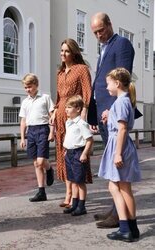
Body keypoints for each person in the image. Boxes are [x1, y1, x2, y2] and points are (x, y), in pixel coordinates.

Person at [88, 12, 138, 228]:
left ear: (110, 24)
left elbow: (121, 77)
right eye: (95, 32)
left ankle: (120, 217)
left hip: (113, 113)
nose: (99, 35)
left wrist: (110, 109)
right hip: (103, 111)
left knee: (117, 167)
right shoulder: (104, 47)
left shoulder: (122, 44)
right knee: (112, 169)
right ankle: (115, 210)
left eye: (101, 30)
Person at [98, 68, 141, 242]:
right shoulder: (122, 101)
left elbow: (122, 128)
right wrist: (110, 115)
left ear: (117, 83)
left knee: (115, 187)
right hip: (120, 145)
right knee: (124, 188)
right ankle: (132, 228)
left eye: (108, 83)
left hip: (119, 146)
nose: (106, 87)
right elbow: (120, 124)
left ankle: (125, 228)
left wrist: (117, 154)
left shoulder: (121, 102)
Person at [49, 38, 92, 208]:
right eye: (61, 51)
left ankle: (77, 197)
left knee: (76, 153)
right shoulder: (59, 73)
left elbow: (87, 94)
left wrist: (83, 115)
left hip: (75, 116)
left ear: (74, 52)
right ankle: (68, 194)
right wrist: (53, 112)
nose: (63, 54)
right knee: (63, 155)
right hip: (60, 116)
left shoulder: (81, 69)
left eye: (66, 51)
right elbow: (59, 98)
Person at [19, 73, 55, 202]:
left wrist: (52, 132)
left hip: (43, 129)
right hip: (31, 131)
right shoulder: (25, 102)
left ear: (36, 85)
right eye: (26, 87)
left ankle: (50, 169)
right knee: (36, 163)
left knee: (41, 161)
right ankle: (41, 191)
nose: (28, 89)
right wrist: (23, 138)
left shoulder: (45, 98)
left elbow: (52, 117)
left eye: (30, 86)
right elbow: (23, 121)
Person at [62, 95, 93, 216]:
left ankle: (81, 206)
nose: (66, 110)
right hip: (69, 153)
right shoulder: (68, 122)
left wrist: (84, 154)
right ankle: (74, 204)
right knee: (72, 180)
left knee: (80, 181)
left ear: (78, 109)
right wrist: (66, 150)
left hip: (78, 154)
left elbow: (89, 140)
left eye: (69, 107)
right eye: (66, 107)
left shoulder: (81, 124)